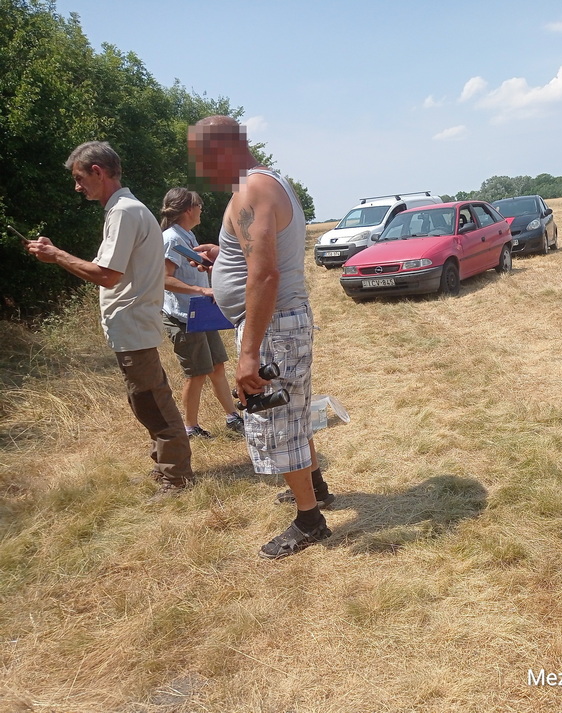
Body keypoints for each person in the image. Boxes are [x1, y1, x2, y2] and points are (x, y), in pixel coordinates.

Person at [188, 115, 334, 560]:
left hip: (271, 328)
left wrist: (249, 353)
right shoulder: (266, 184)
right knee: (295, 413)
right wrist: (224, 256)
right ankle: (317, 489)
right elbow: (258, 255)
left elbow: (266, 272)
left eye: (201, 159)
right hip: (280, 324)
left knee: (277, 420)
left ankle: (309, 521)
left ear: (222, 150)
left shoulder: (253, 189)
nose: (200, 171)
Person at [26, 141, 193, 497]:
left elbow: (106, 274)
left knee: (152, 402)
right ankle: (166, 467)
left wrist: (56, 254)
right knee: (145, 399)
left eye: (79, 178)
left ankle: (177, 477)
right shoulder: (124, 210)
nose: (77, 186)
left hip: (133, 325)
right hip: (132, 325)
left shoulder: (124, 212)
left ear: (98, 172)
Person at [159, 187, 244, 439]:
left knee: (217, 366)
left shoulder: (187, 236)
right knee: (196, 374)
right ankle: (190, 428)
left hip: (200, 314)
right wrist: (200, 289)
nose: (201, 210)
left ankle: (232, 417)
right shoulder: (172, 239)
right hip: (183, 317)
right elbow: (163, 279)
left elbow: (192, 269)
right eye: (199, 205)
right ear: (188, 210)